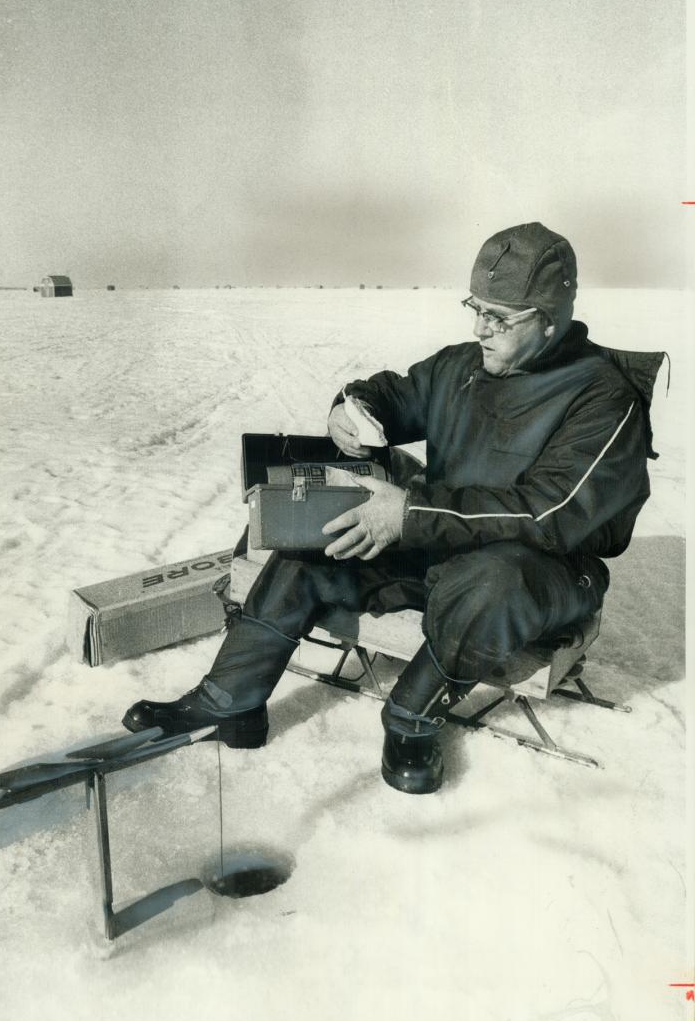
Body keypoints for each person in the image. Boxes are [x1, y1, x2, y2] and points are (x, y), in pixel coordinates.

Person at [123, 222, 660, 794]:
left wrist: (411, 513)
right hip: (437, 539)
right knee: (321, 536)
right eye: (476, 308)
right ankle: (231, 700)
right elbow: (394, 393)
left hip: (543, 572)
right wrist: (352, 411)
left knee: (494, 578)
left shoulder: (603, 396)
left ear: (550, 317)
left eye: (501, 317)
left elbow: (551, 513)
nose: (481, 328)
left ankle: (410, 719)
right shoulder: (462, 366)